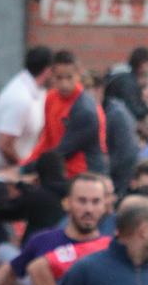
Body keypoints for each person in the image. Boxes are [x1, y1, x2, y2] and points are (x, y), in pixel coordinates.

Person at [25, 50, 107, 186]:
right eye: (59, 78)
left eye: (69, 78)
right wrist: (25, 164)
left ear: (78, 74)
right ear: (52, 75)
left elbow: (63, 151)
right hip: (60, 172)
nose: (64, 84)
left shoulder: (85, 109)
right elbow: (47, 139)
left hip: (86, 177)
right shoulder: (51, 98)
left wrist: (26, 169)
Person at [0, 45, 53, 172]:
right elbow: (5, 145)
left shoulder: (36, 90)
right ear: (48, 71)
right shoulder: (20, 97)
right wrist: (25, 168)